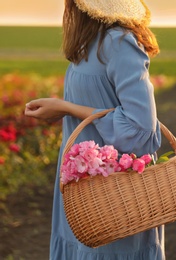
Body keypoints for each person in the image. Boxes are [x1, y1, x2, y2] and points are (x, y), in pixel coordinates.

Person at [24, 0, 164, 259]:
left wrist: (67, 108)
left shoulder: (118, 43)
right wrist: (62, 109)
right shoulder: (90, 44)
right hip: (83, 192)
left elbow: (141, 130)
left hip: (114, 197)